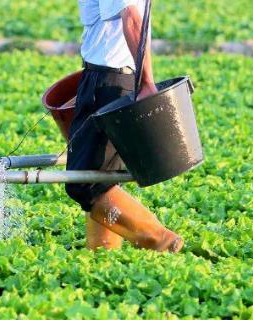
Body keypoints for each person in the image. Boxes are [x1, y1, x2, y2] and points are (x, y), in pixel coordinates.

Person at [67, 0, 183, 252]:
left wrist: (146, 83)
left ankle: (161, 240)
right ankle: (103, 255)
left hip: (110, 81)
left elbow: (132, 18)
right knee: (101, 176)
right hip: (102, 77)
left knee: (85, 183)